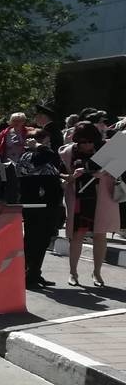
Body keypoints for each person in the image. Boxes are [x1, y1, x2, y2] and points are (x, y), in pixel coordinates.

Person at [61, 122, 118, 287]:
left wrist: (105, 173)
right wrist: (69, 177)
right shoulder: (68, 152)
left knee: (100, 235)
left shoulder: (106, 148)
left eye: (90, 141)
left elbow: (120, 168)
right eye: (83, 141)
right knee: (77, 236)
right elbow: (60, 173)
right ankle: (73, 272)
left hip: (101, 199)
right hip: (79, 198)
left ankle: (97, 272)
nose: (86, 144)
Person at [16, 129, 65, 290]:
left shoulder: (43, 154)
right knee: (32, 240)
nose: (49, 144)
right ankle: (26, 274)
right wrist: (38, 145)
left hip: (49, 205)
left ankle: (35, 273)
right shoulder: (29, 155)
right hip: (36, 205)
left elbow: (50, 170)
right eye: (46, 141)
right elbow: (44, 158)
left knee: (43, 240)